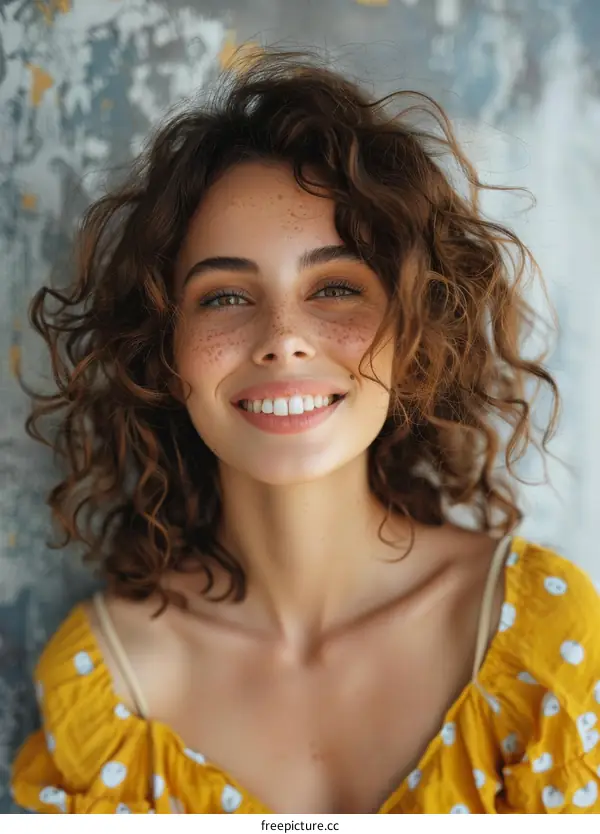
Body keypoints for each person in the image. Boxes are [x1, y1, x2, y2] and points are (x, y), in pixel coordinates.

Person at [10, 48, 600, 815]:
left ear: (414, 328)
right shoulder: (106, 686)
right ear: (165, 349)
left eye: (335, 287)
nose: (283, 337)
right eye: (224, 297)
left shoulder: (542, 638)